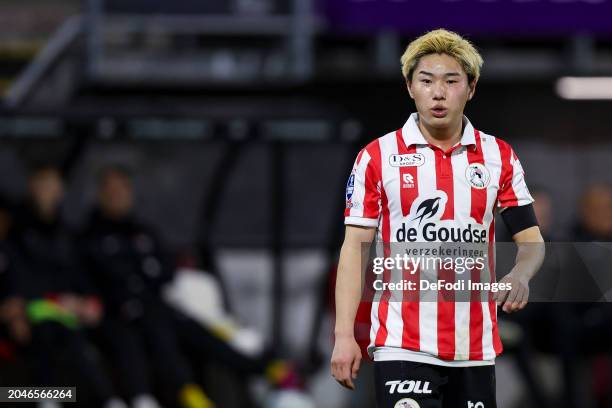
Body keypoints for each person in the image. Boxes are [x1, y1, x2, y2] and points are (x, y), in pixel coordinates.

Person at [331, 29, 545, 408]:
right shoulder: (377, 157)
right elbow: (354, 250)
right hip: (402, 342)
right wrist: (344, 335)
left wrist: (520, 275)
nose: (439, 93)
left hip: (475, 345)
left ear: (471, 88)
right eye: (426, 81)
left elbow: (530, 241)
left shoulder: (499, 156)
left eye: (451, 81)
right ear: (410, 87)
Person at [80, 165, 302, 408]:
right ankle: (170, 395)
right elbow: (101, 280)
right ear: (100, 194)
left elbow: (163, 271)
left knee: (194, 328)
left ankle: (266, 370)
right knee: (149, 334)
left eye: (122, 189)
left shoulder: (142, 233)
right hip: (116, 315)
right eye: (111, 190)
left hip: (153, 306)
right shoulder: (90, 237)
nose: (118, 196)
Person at [11, 164, 126, 408]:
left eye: (53, 186)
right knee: (49, 338)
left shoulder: (67, 235)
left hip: (64, 311)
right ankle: (50, 399)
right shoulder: (18, 232)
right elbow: (17, 279)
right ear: (32, 189)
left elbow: (81, 275)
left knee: (93, 340)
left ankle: (113, 399)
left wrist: (89, 301)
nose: (48, 192)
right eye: (42, 186)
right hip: (36, 311)